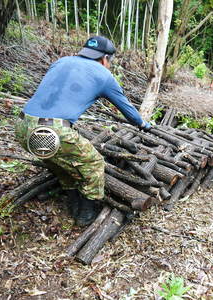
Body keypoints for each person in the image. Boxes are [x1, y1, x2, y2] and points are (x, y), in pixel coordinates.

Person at [15, 36, 151, 226]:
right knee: (94, 164)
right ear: (105, 59)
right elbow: (128, 111)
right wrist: (143, 124)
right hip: (53, 131)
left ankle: (73, 202)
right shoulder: (103, 75)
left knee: (60, 163)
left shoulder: (61, 61)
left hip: (22, 126)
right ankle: (86, 214)